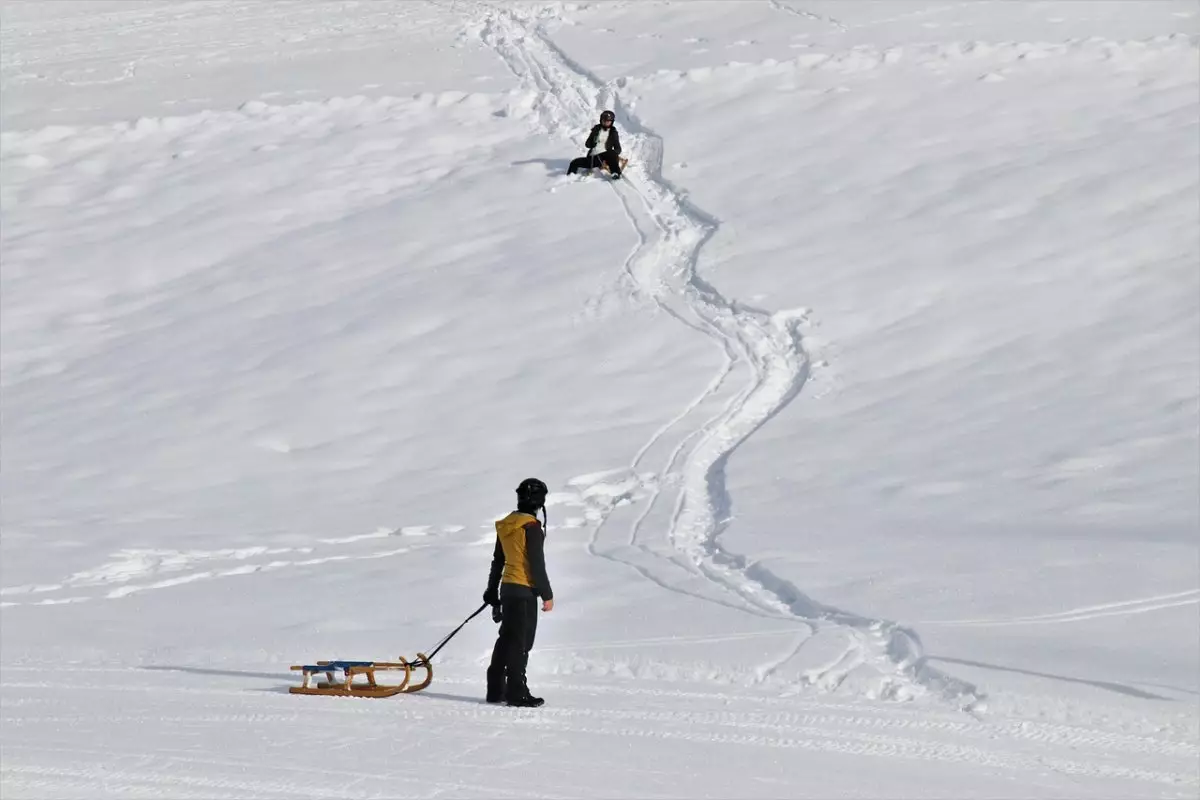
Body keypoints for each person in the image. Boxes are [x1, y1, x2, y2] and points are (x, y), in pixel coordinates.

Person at [483, 477, 554, 707]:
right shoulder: (531, 527)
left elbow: (498, 561)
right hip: (524, 591)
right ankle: (517, 692)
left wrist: (492, 591)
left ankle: (496, 689)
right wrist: (547, 595)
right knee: (521, 642)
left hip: (507, 588)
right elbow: (537, 564)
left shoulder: (506, 525)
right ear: (539, 502)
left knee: (506, 638)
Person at [567, 110, 623, 178]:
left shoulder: (613, 133)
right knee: (574, 162)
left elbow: (618, 149)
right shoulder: (596, 129)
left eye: (608, 121)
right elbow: (587, 144)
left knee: (611, 154)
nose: (606, 122)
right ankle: (569, 178)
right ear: (601, 120)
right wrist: (592, 143)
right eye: (604, 120)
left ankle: (615, 173)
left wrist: (613, 154)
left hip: (607, 155)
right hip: (594, 156)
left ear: (611, 122)